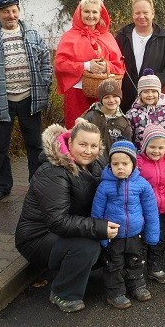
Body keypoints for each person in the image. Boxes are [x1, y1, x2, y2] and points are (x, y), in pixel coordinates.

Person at [15, 120, 118, 313]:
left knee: (114, 237)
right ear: (70, 143)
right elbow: (58, 221)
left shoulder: (97, 164)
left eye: (94, 146)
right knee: (88, 246)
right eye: (82, 144)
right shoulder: (52, 172)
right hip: (38, 237)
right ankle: (63, 293)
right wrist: (99, 228)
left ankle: (82, 272)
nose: (88, 150)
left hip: (68, 230)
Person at [0, 0, 53, 202]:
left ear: (19, 11)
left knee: (35, 146)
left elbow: (46, 61)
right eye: (6, 12)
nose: (11, 15)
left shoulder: (33, 35)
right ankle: (2, 186)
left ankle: (37, 184)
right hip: (1, 101)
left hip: (29, 99)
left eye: (14, 10)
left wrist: (44, 83)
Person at [91, 140, 160, 309]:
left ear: (133, 164)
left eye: (125, 163)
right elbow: (97, 212)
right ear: (110, 165)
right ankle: (115, 292)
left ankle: (137, 286)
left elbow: (151, 212)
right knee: (114, 264)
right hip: (114, 235)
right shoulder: (104, 186)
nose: (120, 167)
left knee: (135, 260)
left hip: (135, 234)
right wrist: (101, 236)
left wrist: (152, 235)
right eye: (115, 164)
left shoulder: (142, 185)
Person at [55, 0, 125, 129]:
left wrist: (106, 65)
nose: (90, 15)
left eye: (95, 12)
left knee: (102, 130)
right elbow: (60, 65)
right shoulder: (69, 37)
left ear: (100, 15)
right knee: (77, 130)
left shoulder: (108, 37)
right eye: (86, 11)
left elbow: (119, 65)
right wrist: (87, 66)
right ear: (79, 13)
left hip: (103, 93)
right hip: (76, 93)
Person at [116, 0, 165, 112]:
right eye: (137, 13)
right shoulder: (122, 37)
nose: (141, 16)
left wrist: (154, 82)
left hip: (153, 101)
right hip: (125, 100)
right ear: (132, 15)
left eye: (145, 13)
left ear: (152, 14)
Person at [135, 124, 165, 283]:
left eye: (160, 147)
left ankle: (155, 268)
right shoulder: (138, 163)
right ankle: (137, 271)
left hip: (162, 210)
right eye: (152, 146)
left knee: (159, 240)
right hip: (143, 210)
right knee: (142, 241)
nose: (156, 151)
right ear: (144, 145)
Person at [124, 69, 165, 149]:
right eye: (146, 92)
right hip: (139, 156)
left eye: (154, 91)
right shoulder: (132, 114)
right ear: (140, 94)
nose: (150, 95)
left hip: (160, 155)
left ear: (159, 94)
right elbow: (128, 138)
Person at [81, 77, 132, 154]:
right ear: (101, 100)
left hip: (112, 163)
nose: (111, 100)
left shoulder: (124, 123)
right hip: (91, 160)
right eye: (106, 97)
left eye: (115, 96)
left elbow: (127, 148)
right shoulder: (90, 116)